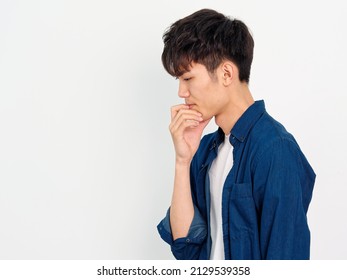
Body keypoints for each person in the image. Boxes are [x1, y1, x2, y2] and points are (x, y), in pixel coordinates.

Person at [157, 8, 315, 260]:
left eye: (187, 78)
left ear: (227, 73)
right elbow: (186, 246)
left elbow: (287, 260)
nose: (181, 92)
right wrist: (182, 160)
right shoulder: (207, 149)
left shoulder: (275, 149)